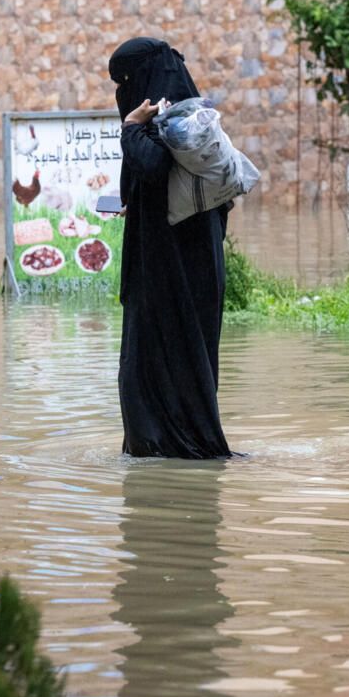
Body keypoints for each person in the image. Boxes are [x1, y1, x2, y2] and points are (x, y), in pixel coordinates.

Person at [110, 37, 232, 458]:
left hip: (173, 271)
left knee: (153, 363)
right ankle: (168, 447)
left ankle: (170, 449)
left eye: (124, 81)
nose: (119, 91)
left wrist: (129, 127)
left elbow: (153, 165)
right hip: (183, 262)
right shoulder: (187, 116)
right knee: (167, 359)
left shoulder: (179, 119)